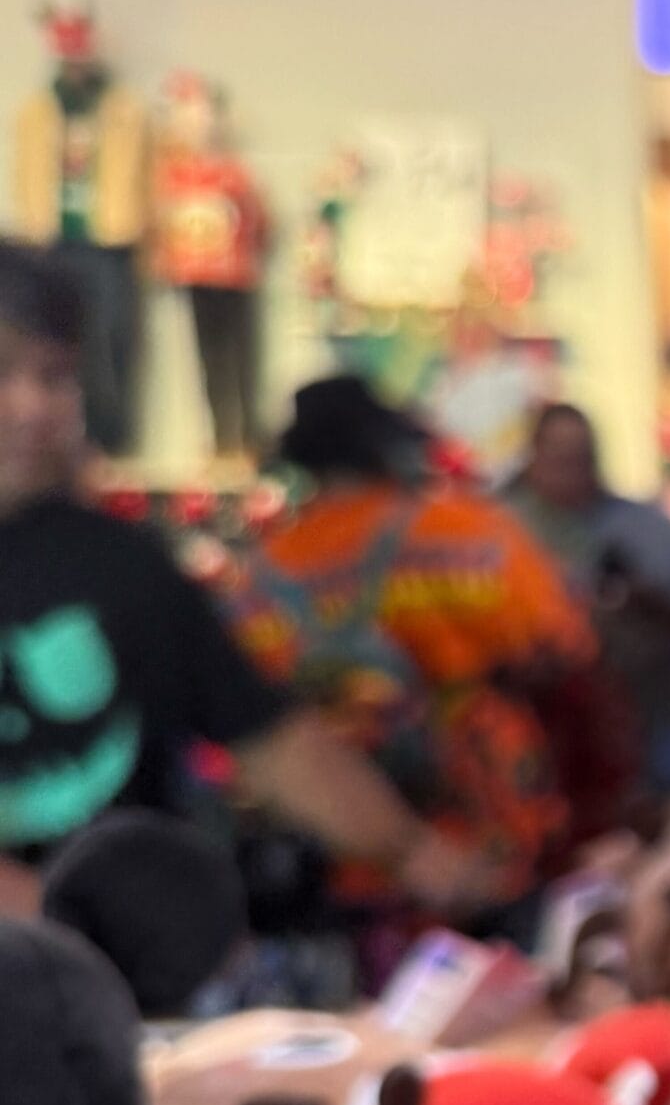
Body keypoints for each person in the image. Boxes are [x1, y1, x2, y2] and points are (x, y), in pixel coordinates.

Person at [0, 242, 486, 917]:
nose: (30, 405)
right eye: (3, 371)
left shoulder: (126, 566)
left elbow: (272, 739)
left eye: (53, 377)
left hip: (110, 964)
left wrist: (416, 854)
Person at [228, 375, 598, 917]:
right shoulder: (471, 534)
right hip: (487, 849)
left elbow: (244, 728)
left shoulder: (258, 582)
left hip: (342, 854)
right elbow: (568, 653)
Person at [508, 400, 670, 798]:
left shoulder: (647, 529)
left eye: (581, 459)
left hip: (645, 720)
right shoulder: (503, 532)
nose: (571, 474)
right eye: (559, 459)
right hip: (541, 734)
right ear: (534, 458)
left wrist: (644, 601)